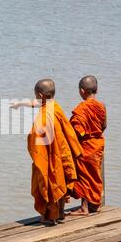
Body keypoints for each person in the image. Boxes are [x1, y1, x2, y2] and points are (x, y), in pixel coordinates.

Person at [17, 78, 83, 225]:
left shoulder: (44, 116)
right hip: (62, 152)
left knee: (49, 178)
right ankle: (59, 214)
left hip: (50, 155)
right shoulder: (56, 108)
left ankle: (49, 216)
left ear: (40, 96)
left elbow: (36, 140)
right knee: (60, 179)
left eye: (36, 96)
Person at [67, 75, 107, 216]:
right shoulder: (101, 106)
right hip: (98, 143)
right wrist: (95, 134)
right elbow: (104, 125)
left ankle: (84, 208)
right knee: (95, 174)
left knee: (84, 175)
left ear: (82, 91)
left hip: (86, 145)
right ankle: (95, 205)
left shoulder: (82, 108)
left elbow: (77, 131)